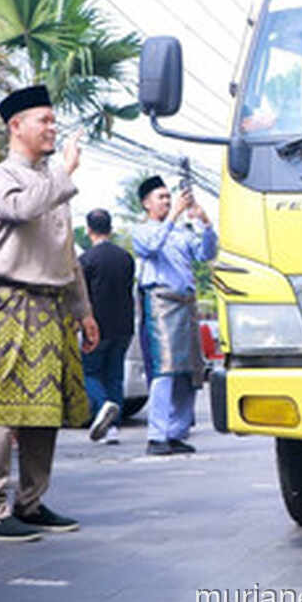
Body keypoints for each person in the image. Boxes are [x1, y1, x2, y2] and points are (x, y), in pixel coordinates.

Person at [0, 84, 100, 542]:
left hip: (53, 302)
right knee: (4, 402)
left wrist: (83, 309)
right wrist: (65, 171)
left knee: (46, 405)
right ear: (16, 126)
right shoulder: (1, 176)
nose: (52, 128)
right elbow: (22, 209)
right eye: (43, 120)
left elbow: (67, 254)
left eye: (52, 120)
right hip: (10, 298)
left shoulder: (53, 183)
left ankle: (30, 502)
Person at [132, 175, 218, 456]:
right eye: (161, 197)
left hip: (186, 303)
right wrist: (174, 217)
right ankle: (157, 435)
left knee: (190, 372)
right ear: (146, 203)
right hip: (161, 304)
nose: (168, 202)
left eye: (169, 197)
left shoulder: (181, 232)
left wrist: (205, 223)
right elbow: (151, 247)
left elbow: (205, 253)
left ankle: (177, 432)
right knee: (165, 369)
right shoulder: (142, 230)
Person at [78, 208, 135, 444]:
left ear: (88, 230)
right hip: (124, 326)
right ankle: (113, 427)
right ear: (110, 229)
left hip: (97, 326)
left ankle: (103, 409)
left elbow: (80, 296)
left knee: (89, 373)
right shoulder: (125, 257)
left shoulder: (86, 260)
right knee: (115, 376)